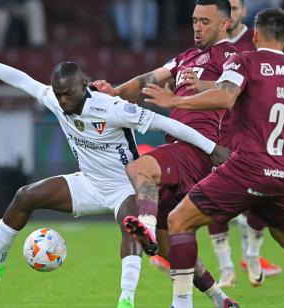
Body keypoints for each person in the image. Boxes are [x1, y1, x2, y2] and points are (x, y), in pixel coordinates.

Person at [0, 32, 232, 308]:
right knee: (25, 195)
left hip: (126, 186)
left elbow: (167, 124)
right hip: (89, 183)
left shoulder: (112, 108)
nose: (63, 101)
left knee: (143, 235)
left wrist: (211, 148)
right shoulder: (56, 100)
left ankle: (128, 299)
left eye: (68, 94)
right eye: (59, 95)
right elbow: (22, 80)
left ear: (83, 84)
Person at [142, 8, 284, 308]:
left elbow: (224, 97)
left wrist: (175, 100)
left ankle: (181, 303)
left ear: (256, 34)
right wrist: (277, 159)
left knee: (178, 220)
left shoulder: (243, 60)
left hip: (246, 167)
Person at [93, 1, 240, 307]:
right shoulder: (186, 56)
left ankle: (144, 226)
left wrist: (196, 87)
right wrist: (114, 92)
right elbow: (148, 80)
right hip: (181, 148)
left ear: (224, 24)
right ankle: (220, 298)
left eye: (205, 21)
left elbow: (230, 93)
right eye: (194, 20)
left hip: (196, 147)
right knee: (171, 244)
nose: (197, 27)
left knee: (138, 169)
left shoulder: (230, 56)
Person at [206, 0, 281, 287]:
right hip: (221, 129)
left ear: (242, 13)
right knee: (213, 198)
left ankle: (252, 254)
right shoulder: (211, 44)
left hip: (254, 128)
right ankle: (225, 267)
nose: (231, 15)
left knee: (259, 197)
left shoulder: (257, 42)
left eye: (236, 8)